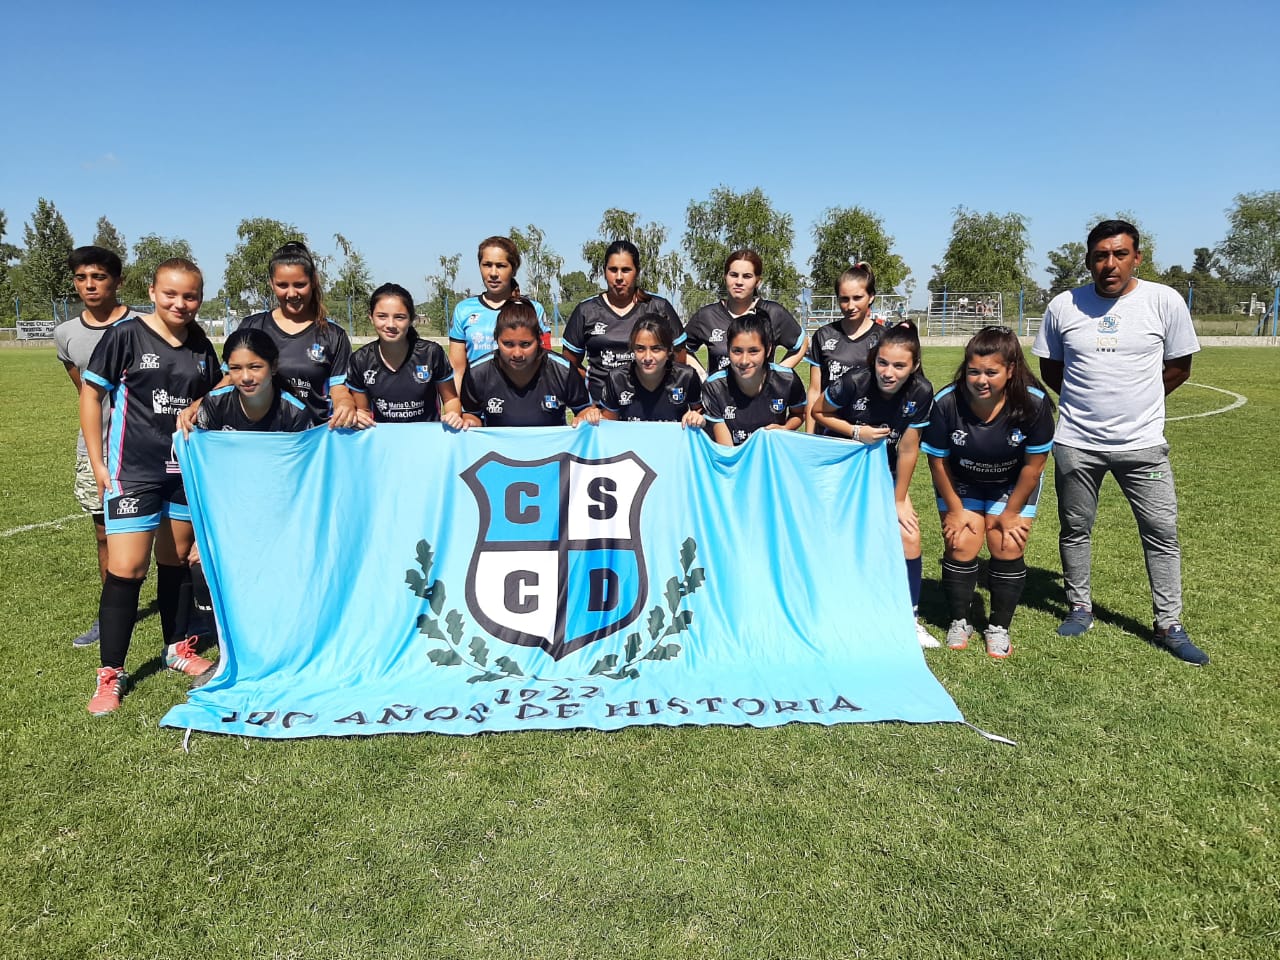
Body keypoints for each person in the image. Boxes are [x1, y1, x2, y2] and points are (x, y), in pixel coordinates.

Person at [1033, 219, 1207, 665]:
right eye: (1100, 256)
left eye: (1119, 254)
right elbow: (1052, 369)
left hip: (1143, 444)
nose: (1109, 264)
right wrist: (1085, 404)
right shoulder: (1063, 306)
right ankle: (1079, 607)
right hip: (1077, 443)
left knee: (1161, 532)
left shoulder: (1164, 301)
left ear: (1137, 258)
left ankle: (1168, 623)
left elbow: (1180, 367)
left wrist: (1139, 403)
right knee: (1075, 529)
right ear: (1089, 260)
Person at [79, 259, 221, 715]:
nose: (180, 304)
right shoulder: (126, 336)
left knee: (175, 559)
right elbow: (91, 395)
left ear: (200, 298)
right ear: (152, 292)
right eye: (171, 294)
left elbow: (218, 391)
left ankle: (176, 647)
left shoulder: (201, 345)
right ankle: (110, 674)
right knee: (127, 569)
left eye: (190, 296)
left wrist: (202, 400)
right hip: (133, 472)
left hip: (182, 472)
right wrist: (98, 463)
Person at [921, 326, 1055, 659]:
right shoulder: (946, 402)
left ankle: (998, 626)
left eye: (991, 372)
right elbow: (938, 462)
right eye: (974, 371)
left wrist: (1011, 513)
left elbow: (1034, 467)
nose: (981, 380)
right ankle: (960, 620)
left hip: (1012, 484)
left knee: (1007, 543)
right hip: (961, 481)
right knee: (960, 542)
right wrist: (954, 510)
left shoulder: (1034, 404)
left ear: (1010, 370)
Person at [813, 321, 936, 646]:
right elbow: (819, 411)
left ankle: (909, 619)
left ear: (914, 366)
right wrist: (857, 432)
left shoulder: (922, 391)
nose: (888, 372)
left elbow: (908, 447)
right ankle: (831, 610)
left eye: (899, 366)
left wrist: (899, 500)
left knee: (909, 535)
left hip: (885, 473)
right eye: (883, 362)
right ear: (874, 360)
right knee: (835, 537)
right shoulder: (854, 382)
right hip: (842, 470)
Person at [55, 246, 142, 648]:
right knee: (105, 534)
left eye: (99, 277)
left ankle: (187, 614)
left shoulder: (144, 325)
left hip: (144, 448)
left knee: (172, 537)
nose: (89, 285)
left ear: (118, 281)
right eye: (81, 278)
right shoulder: (66, 334)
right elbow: (85, 392)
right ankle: (111, 614)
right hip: (97, 449)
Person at [183, 242, 356, 430]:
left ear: (313, 281)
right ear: (271, 284)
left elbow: (339, 388)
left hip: (314, 436)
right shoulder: (253, 325)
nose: (292, 293)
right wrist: (198, 405)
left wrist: (345, 405)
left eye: (300, 285)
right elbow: (231, 378)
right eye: (282, 285)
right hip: (264, 435)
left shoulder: (333, 335)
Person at [563, 240, 686, 402]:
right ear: (604, 271)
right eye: (613, 270)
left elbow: (680, 361)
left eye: (626, 270)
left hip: (650, 407)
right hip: (601, 409)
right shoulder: (586, 311)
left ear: (637, 272)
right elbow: (569, 366)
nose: (619, 277)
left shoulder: (659, 307)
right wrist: (593, 394)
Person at [461, 299, 592, 428]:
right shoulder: (476, 373)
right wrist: (470, 422)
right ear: (496, 339)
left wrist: (585, 417)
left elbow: (584, 410)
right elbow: (471, 415)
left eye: (525, 344)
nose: (517, 353)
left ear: (539, 340)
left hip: (552, 443)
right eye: (508, 344)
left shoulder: (563, 371)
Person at [348, 283, 464, 427]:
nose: (390, 324)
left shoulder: (431, 353)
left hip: (427, 438)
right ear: (371, 317)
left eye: (399, 317)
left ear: (411, 319)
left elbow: (451, 400)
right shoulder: (360, 360)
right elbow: (364, 410)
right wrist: (359, 419)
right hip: (384, 439)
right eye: (382, 316)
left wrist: (453, 414)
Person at [684, 249, 806, 378]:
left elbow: (802, 344)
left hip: (762, 391)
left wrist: (778, 374)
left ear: (758, 281)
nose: (739, 282)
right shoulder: (707, 316)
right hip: (719, 392)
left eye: (747, 276)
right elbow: (680, 349)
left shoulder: (773, 313)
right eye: (733, 275)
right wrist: (702, 376)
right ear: (725, 277)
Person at [448, 236, 551, 387]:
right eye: (487, 265)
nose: (493, 273)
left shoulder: (533, 309)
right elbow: (457, 370)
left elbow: (546, 364)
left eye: (501, 266)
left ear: (513, 269)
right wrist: (457, 401)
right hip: (476, 399)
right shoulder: (463, 310)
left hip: (521, 398)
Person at [702, 311, 806, 446]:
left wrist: (785, 428)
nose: (744, 361)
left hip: (770, 453)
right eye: (737, 351)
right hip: (735, 456)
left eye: (753, 351)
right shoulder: (714, 386)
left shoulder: (788, 380)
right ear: (728, 349)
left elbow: (799, 414)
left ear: (768, 350)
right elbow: (727, 450)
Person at [805, 262, 885, 434]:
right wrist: (810, 436)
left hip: (867, 433)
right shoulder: (823, 335)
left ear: (871, 296)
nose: (850, 306)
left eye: (857, 298)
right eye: (844, 299)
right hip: (827, 432)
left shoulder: (884, 338)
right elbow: (814, 390)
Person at [193, 328, 318, 433]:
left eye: (255, 367)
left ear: (273, 366)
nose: (246, 377)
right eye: (236, 368)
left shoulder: (295, 413)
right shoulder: (214, 403)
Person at [597, 318, 705, 428]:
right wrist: (595, 416)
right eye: (640, 349)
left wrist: (697, 417)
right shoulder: (617, 379)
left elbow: (700, 411)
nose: (647, 357)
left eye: (656, 349)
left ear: (669, 350)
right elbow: (608, 424)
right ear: (632, 349)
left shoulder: (686, 377)